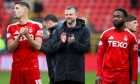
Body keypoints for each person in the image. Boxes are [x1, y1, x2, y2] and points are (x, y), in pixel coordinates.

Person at [95, 8, 138, 84]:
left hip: (123, 75)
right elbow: (100, 55)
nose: (115, 18)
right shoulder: (106, 34)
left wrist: (134, 79)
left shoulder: (131, 37)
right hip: (107, 74)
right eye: (114, 16)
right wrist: (98, 74)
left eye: (118, 16)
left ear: (125, 19)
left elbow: (134, 59)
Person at [52, 6, 90, 84]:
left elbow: (86, 48)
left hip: (77, 76)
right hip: (60, 75)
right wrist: (61, 43)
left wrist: (74, 43)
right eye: (66, 14)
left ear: (76, 15)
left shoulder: (84, 30)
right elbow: (53, 48)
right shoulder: (58, 30)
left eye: (70, 14)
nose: (68, 16)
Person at [7, 2, 43, 84]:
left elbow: (37, 46)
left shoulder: (37, 25)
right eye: (13, 8)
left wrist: (27, 35)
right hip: (16, 70)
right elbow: (10, 48)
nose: (13, 10)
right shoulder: (11, 27)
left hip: (32, 69)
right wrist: (19, 36)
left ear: (24, 10)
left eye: (16, 8)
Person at [38, 14, 59, 84]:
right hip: (58, 71)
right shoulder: (58, 31)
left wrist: (38, 46)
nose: (45, 27)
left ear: (49, 22)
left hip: (56, 71)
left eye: (45, 25)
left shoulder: (55, 32)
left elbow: (50, 50)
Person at [125, 14, 139, 82]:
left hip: (131, 72)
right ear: (127, 24)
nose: (137, 25)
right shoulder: (127, 37)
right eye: (135, 23)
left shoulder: (133, 37)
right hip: (124, 73)